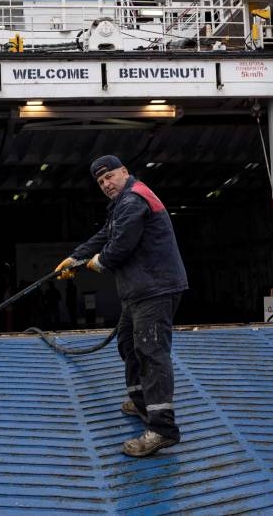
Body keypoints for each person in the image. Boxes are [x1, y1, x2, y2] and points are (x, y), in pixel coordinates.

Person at [56, 155, 188, 457]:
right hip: (139, 290)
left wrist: (96, 262)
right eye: (101, 182)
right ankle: (142, 401)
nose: (105, 184)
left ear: (124, 172)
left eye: (110, 177)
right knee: (128, 343)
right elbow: (106, 234)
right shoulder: (123, 203)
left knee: (152, 353)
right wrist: (75, 256)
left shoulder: (133, 201)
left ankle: (163, 428)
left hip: (155, 289)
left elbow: (120, 246)